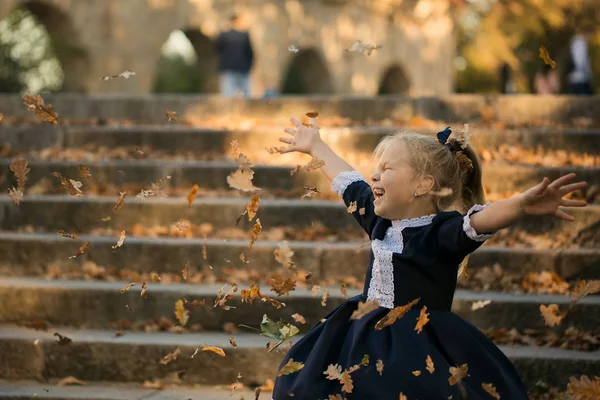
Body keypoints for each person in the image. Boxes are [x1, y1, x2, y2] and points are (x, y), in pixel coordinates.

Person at [272, 117, 588, 399]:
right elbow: (348, 181)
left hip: (418, 342)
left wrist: (520, 205)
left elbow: (480, 220)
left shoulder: (441, 234)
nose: (374, 175)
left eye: (387, 169)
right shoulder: (378, 218)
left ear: (423, 185)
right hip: (362, 334)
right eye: (377, 168)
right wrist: (316, 145)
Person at [214, 14, 254, 97]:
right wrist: (248, 67)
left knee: (228, 95)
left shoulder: (223, 35)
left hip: (228, 68)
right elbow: (250, 54)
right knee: (246, 95)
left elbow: (217, 49)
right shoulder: (245, 35)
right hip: (243, 69)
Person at [567, 26, 595, 95]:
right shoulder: (580, 44)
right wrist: (587, 72)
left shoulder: (578, 43)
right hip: (580, 78)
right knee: (585, 99)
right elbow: (580, 61)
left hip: (578, 77)